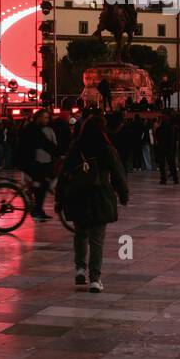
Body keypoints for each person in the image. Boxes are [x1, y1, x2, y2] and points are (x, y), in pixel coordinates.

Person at [56, 114, 129, 292]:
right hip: (100, 197)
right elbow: (118, 174)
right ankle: (95, 279)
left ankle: (80, 268)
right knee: (97, 240)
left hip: (78, 196)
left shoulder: (76, 148)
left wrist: (59, 199)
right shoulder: (107, 149)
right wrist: (123, 194)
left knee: (80, 234)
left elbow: (63, 175)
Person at [17, 109, 59, 220]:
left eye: (47, 118)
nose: (47, 120)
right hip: (25, 161)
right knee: (43, 182)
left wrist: (57, 152)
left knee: (41, 182)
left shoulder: (35, 128)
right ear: (38, 117)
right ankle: (37, 211)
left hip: (29, 160)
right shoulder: (32, 129)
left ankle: (37, 208)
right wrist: (58, 153)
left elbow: (46, 144)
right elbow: (45, 144)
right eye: (45, 117)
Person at [154, 114, 179, 184]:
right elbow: (173, 139)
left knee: (162, 164)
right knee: (172, 164)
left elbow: (157, 137)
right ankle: (175, 179)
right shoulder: (171, 128)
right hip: (169, 148)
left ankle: (163, 179)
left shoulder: (159, 129)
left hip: (161, 148)